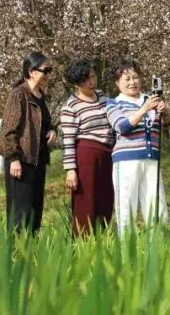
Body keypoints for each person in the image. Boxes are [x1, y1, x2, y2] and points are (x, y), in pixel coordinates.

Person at [106, 59, 170, 233]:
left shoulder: (150, 99)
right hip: (126, 162)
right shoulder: (113, 103)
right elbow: (122, 126)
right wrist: (144, 109)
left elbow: (166, 123)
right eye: (126, 79)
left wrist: (164, 111)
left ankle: (157, 252)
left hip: (151, 160)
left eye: (135, 77)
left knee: (157, 209)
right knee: (126, 210)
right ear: (117, 83)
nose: (132, 82)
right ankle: (127, 254)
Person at [0, 51, 57, 234]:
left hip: (38, 160)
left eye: (50, 71)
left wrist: (52, 130)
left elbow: (45, 123)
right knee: (20, 212)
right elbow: (9, 129)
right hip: (22, 160)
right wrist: (13, 158)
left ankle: (32, 253)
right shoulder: (18, 94)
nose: (48, 75)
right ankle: (16, 254)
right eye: (45, 70)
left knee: (35, 210)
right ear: (31, 71)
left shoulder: (41, 95)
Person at [60, 58, 115, 236]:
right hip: (87, 155)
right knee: (86, 203)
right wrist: (70, 169)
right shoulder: (71, 106)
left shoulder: (102, 97)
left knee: (106, 200)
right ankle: (82, 247)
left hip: (108, 155)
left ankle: (102, 240)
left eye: (92, 76)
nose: (91, 82)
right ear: (77, 83)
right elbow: (68, 140)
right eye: (85, 80)